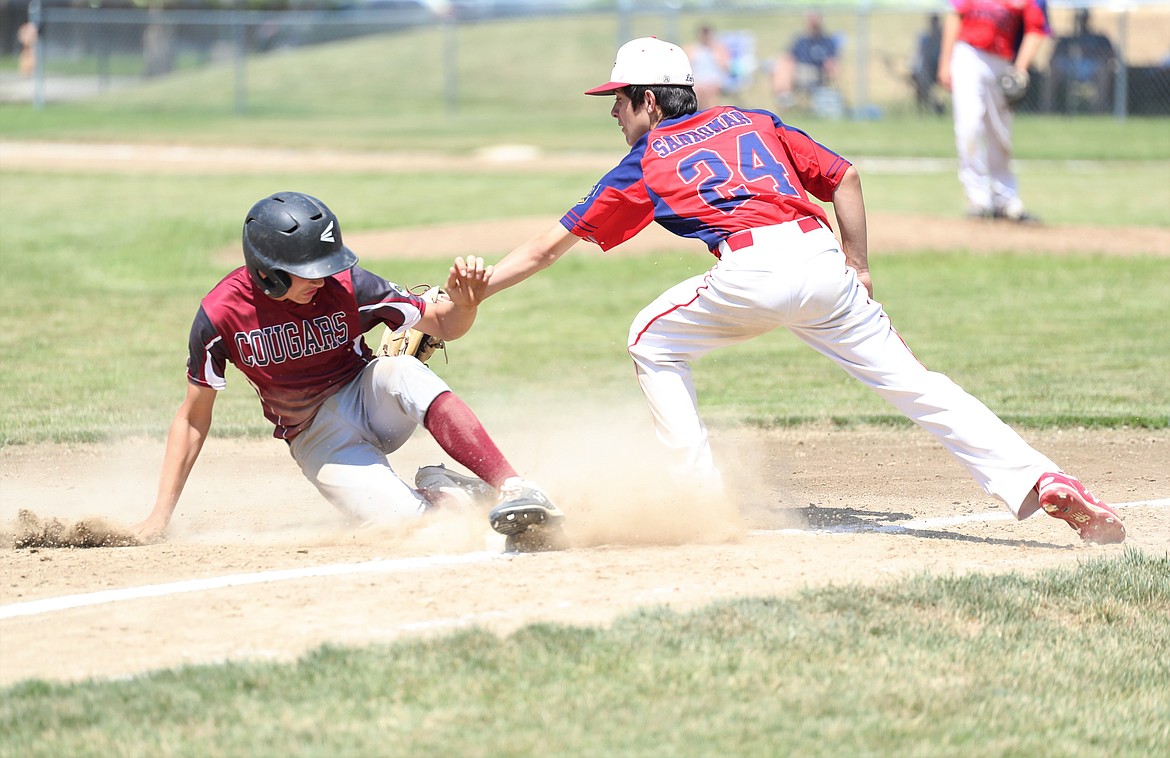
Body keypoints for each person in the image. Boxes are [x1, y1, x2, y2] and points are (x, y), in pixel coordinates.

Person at [476, 37, 1125, 546]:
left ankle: (700, 504)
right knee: (919, 386)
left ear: (650, 101)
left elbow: (543, 249)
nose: (614, 112)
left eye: (620, 99)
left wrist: (476, 293)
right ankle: (1042, 477)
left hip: (753, 270)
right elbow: (845, 178)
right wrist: (858, 263)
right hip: (823, 264)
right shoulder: (751, 119)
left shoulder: (644, 159)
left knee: (650, 340)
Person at [132, 191, 565, 550]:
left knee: (402, 371)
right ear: (268, 274)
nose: (323, 279)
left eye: (328, 265)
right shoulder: (220, 314)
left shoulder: (349, 284)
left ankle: (513, 486)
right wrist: (159, 516)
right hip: (317, 438)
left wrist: (465, 303)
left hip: (366, 394)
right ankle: (448, 491)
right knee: (410, 525)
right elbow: (192, 417)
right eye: (308, 272)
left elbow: (445, 323)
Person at [937, 0, 1049, 222]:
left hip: (1002, 61)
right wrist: (945, 62)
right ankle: (978, 199)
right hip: (968, 54)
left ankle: (1005, 199)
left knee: (1000, 134)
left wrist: (1020, 70)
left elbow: (1036, 29)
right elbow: (955, 15)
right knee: (968, 126)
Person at [1045, 8, 1117, 113]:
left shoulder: (1098, 37)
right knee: (1054, 69)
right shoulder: (1067, 38)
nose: (1081, 22)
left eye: (1083, 19)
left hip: (1090, 65)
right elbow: (1053, 56)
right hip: (1070, 64)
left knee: (1103, 70)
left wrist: (1091, 52)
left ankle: (1098, 110)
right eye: (1078, 19)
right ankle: (1047, 108)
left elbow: (1111, 55)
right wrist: (1069, 51)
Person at [772, 11, 840, 111]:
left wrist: (831, 70)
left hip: (815, 73)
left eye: (815, 21)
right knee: (783, 64)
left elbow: (832, 64)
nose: (813, 24)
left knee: (786, 68)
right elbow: (789, 56)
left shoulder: (826, 41)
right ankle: (785, 96)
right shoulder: (801, 40)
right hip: (797, 71)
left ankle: (785, 98)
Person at [687, 24, 731, 111]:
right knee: (697, 90)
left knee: (709, 90)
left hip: (714, 78)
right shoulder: (693, 49)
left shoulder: (718, 49)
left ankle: (708, 113)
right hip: (698, 79)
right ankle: (699, 114)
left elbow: (725, 67)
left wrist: (715, 53)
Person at [911, 14, 946, 115]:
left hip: (938, 70)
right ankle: (931, 106)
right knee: (921, 79)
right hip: (927, 72)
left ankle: (935, 106)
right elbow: (919, 56)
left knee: (923, 78)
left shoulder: (942, 38)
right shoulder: (925, 38)